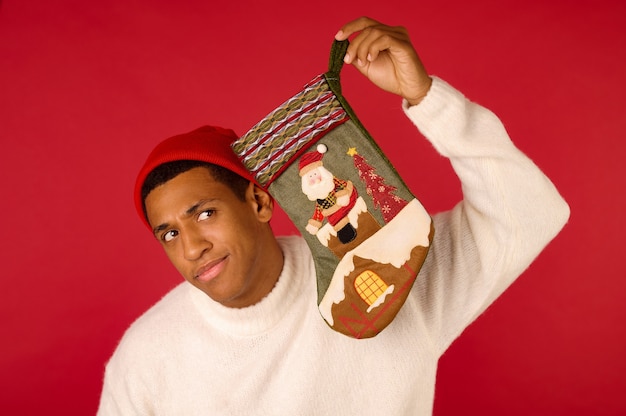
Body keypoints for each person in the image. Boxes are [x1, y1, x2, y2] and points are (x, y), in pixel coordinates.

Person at [97, 16, 570, 415]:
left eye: (204, 213)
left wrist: (427, 98)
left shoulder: (389, 271)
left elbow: (531, 210)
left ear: (260, 202)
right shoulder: (146, 357)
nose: (191, 247)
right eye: (168, 233)